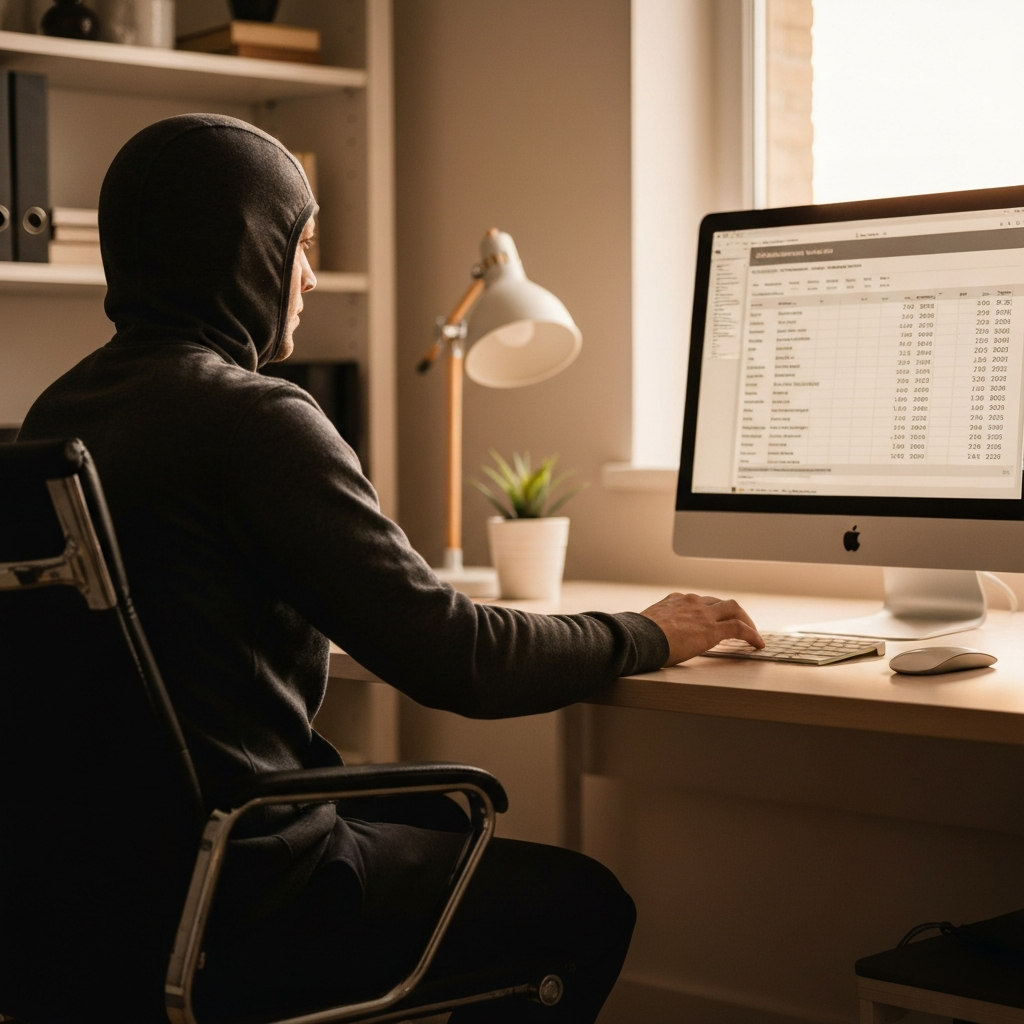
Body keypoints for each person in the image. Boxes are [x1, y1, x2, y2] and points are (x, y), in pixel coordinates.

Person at [18, 114, 763, 1022]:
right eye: (303, 242)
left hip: (82, 905)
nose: (311, 274)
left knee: (438, 826)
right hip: (248, 897)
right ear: (247, 248)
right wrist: (646, 632)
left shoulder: (58, 416)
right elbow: (458, 658)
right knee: (582, 904)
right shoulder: (252, 417)